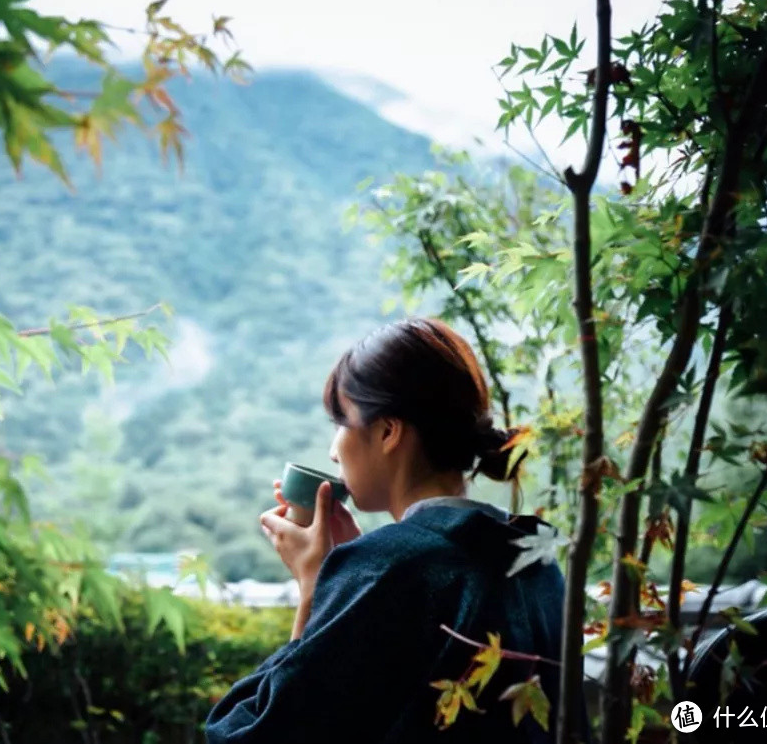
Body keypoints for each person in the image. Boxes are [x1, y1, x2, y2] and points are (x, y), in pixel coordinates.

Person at [205, 317, 575, 744]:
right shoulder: (536, 555)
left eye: (341, 422)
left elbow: (248, 734)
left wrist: (315, 587)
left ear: (387, 431)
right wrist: (348, 572)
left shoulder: (384, 568)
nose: (333, 449)